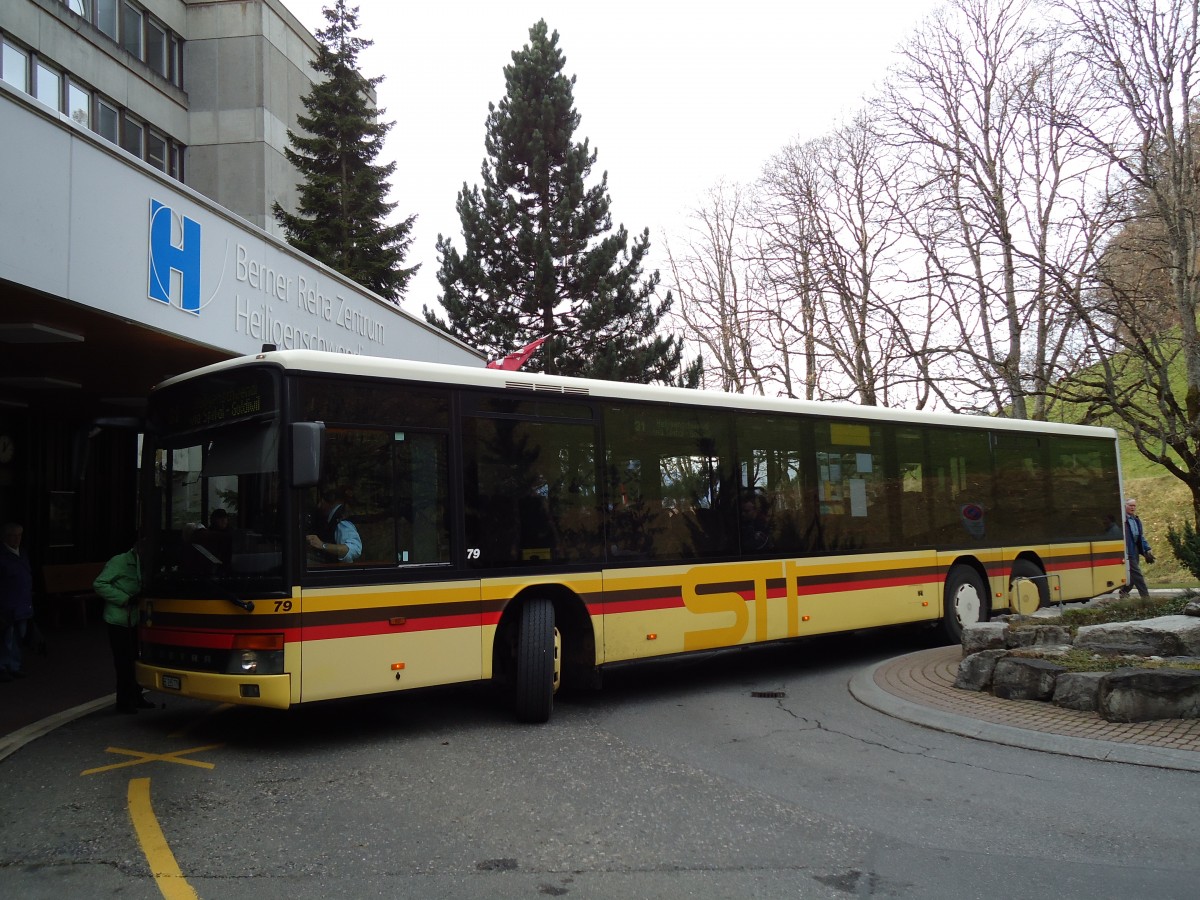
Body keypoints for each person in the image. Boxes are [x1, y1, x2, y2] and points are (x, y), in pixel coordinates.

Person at [94, 538, 155, 713]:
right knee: (123, 662)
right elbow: (99, 584)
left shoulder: (141, 563)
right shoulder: (119, 561)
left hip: (135, 619)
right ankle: (123, 701)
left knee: (135, 659)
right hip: (119, 619)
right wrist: (124, 599)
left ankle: (136, 696)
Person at [0, 522, 34, 682]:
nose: (16, 539)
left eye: (19, 535)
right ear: (5, 537)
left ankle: (14, 665)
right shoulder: (2, 556)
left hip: (23, 603)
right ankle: (2, 667)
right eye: (13, 535)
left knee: (19, 637)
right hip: (7, 604)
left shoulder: (23, 553)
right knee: (6, 637)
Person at [305, 491, 362, 563]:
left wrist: (322, 545)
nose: (319, 506)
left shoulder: (342, 521)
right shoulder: (332, 520)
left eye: (321, 502)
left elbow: (354, 549)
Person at [1119, 497, 1154, 600]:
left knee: (1132, 575)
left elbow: (1140, 536)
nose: (1133, 508)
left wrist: (1146, 549)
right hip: (1127, 550)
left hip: (1135, 549)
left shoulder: (1136, 520)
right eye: (1130, 505)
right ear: (1125, 506)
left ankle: (1124, 591)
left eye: (1134, 506)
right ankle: (1146, 598)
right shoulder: (1122, 521)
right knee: (1137, 574)